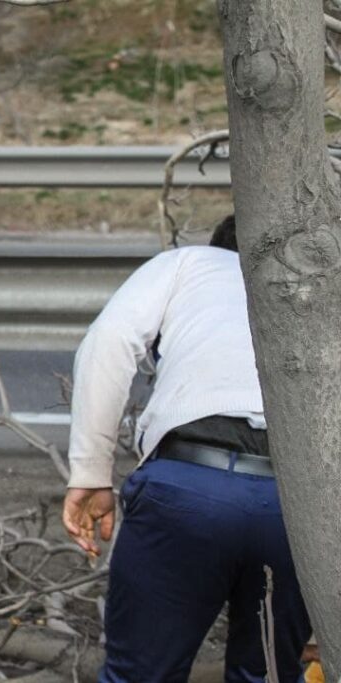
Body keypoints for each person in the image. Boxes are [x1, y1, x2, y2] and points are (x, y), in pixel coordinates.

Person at [62, 216, 312, 682]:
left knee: (140, 675)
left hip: (188, 487)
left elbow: (109, 342)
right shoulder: (320, 284)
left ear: (221, 248)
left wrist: (91, 474)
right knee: (269, 675)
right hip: (296, 506)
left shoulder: (188, 264)